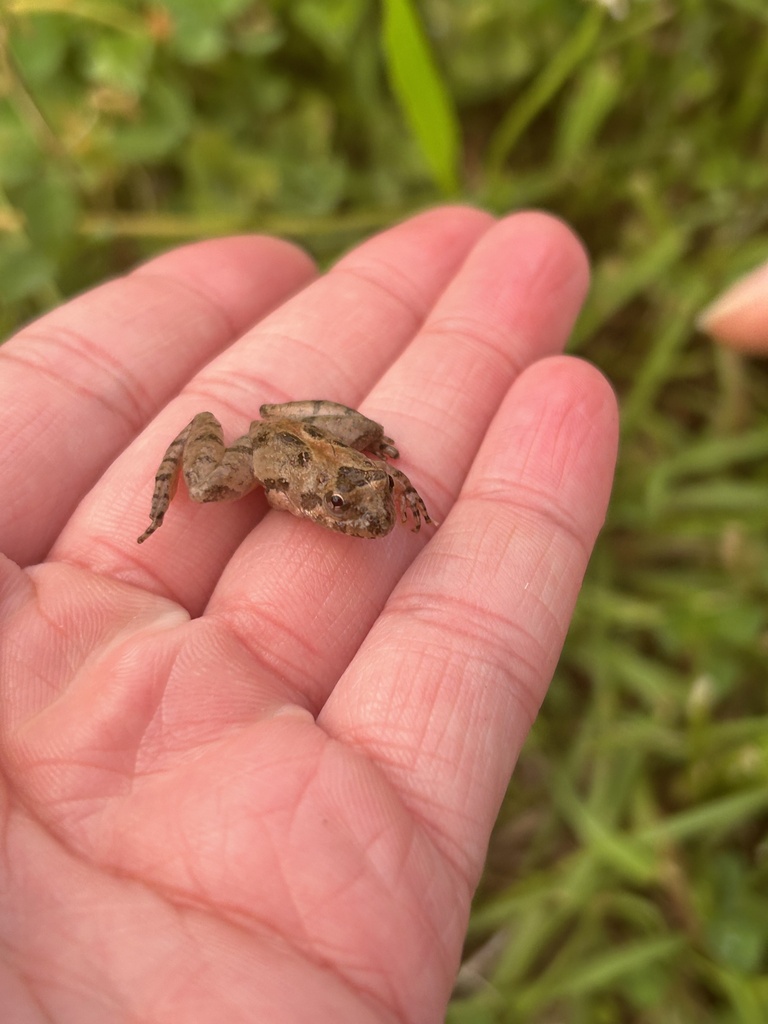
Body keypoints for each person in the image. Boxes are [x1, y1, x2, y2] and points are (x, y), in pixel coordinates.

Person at [0, 207, 618, 1023]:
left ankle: (340, 439)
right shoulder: (286, 483)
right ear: (322, 503)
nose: (360, 522)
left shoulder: (365, 487)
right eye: (344, 508)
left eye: (360, 502)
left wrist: (407, 500)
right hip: (271, 452)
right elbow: (300, 484)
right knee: (218, 484)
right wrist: (175, 495)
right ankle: (183, 463)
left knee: (366, 435)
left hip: (308, 435)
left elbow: (385, 488)